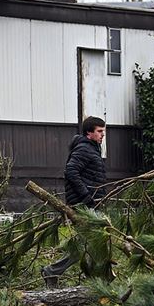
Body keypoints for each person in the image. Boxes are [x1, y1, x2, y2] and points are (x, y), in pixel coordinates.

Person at [41, 116, 107, 287]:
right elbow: (71, 171)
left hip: (91, 203)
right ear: (89, 133)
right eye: (99, 131)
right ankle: (52, 271)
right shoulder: (84, 149)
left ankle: (95, 282)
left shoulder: (92, 148)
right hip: (83, 204)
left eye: (103, 131)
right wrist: (86, 197)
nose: (103, 134)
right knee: (87, 244)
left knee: (92, 243)